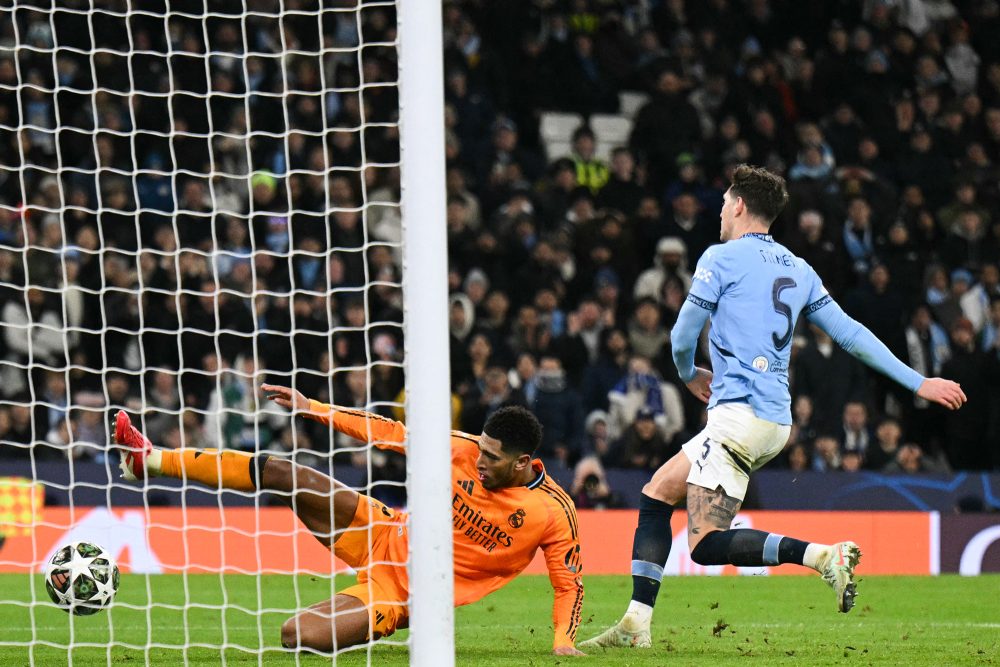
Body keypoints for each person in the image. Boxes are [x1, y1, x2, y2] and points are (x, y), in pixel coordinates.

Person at [582, 165, 966, 650]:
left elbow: (681, 335)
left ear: (739, 205)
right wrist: (918, 381)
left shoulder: (719, 258)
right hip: (774, 421)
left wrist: (687, 373)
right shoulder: (798, 268)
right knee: (657, 493)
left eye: (724, 202)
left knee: (703, 545)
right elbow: (849, 333)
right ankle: (636, 623)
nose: (720, 211)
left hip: (737, 414)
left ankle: (823, 557)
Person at [114, 389, 585, 656]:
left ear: (523, 462)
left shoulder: (553, 513)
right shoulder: (463, 448)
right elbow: (388, 433)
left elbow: (569, 585)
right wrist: (313, 407)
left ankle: (370, 622)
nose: (479, 461)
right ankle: (150, 461)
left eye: (492, 458)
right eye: (479, 449)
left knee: (297, 636)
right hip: (381, 530)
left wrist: (563, 641)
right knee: (282, 472)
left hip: (401, 594)